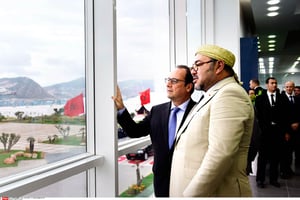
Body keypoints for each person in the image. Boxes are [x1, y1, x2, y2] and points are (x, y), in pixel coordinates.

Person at [169, 44, 254, 197]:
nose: (193, 70)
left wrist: (190, 196)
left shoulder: (230, 94)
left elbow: (220, 154)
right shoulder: (213, 94)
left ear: (219, 66)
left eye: (198, 64)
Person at [111, 65, 196, 197]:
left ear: (188, 87)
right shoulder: (157, 111)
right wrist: (121, 108)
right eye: (167, 80)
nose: (168, 84)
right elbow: (135, 131)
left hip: (189, 182)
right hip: (162, 181)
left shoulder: (199, 112)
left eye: (174, 81)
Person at [255, 77, 289, 188]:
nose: (274, 85)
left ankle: (273, 179)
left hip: (278, 133)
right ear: (267, 85)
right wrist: (262, 130)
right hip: (265, 133)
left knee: (275, 157)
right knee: (263, 157)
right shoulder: (260, 99)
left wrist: (285, 131)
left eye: (276, 83)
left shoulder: (282, 98)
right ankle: (260, 179)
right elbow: (258, 117)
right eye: (272, 83)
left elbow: (286, 116)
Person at [280, 81, 300, 176]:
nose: (289, 88)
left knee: (295, 150)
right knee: (285, 152)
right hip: (287, 130)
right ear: (285, 88)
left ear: (293, 87)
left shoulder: (297, 99)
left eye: (290, 87)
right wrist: (287, 130)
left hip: (297, 130)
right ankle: (284, 171)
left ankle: (290, 170)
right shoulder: (281, 99)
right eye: (287, 87)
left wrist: (297, 123)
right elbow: (282, 117)